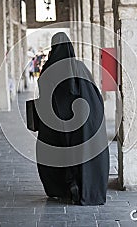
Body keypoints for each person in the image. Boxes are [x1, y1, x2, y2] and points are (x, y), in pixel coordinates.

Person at [35, 32, 109, 205]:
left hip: (54, 123)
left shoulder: (48, 69)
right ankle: (82, 189)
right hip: (82, 120)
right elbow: (92, 94)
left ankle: (61, 189)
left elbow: (44, 94)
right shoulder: (79, 67)